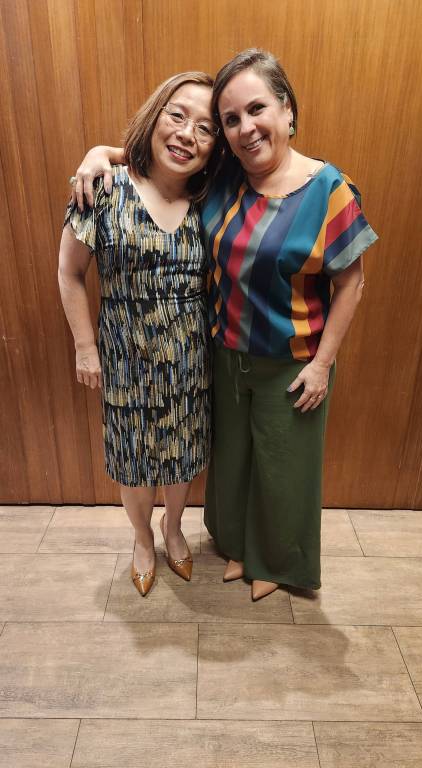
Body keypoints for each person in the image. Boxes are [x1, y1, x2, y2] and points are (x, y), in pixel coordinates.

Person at [71, 49, 378, 601]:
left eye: (255, 110)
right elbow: (159, 158)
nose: (244, 128)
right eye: (231, 119)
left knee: (273, 467)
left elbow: (352, 280)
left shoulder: (315, 187)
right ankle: (212, 545)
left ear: (287, 109)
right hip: (199, 355)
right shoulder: (219, 180)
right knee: (213, 465)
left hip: (266, 358)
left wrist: (323, 363)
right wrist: (100, 152)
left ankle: (264, 559)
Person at [59, 71, 222, 597]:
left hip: (190, 355)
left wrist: (100, 149)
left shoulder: (212, 198)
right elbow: (69, 272)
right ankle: (142, 538)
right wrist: (85, 347)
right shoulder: (104, 187)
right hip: (124, 355)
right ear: (156, 116)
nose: (187, 134)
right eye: (177, 115)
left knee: (182, 453)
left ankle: (174, 529)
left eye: (205, 127)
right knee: (132, 458)